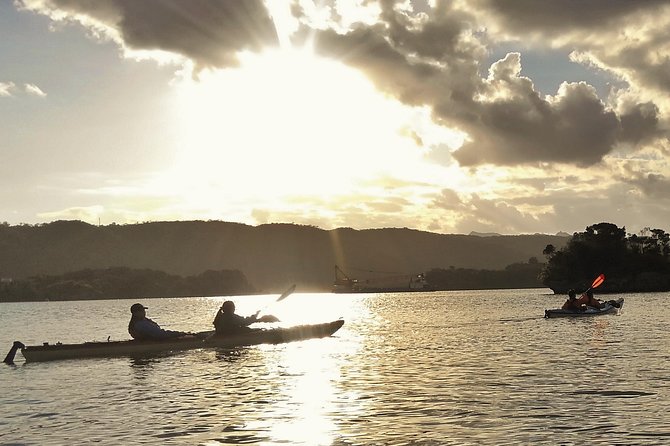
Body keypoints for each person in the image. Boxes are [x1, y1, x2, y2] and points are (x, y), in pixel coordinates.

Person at [212, 301, 278, 335]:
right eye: (233, 308)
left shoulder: (221, 316)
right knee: (247, 329)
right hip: (228, 335)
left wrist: (256, 318)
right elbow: (245, 322)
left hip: (221, 334)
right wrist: (255, 315)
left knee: (246, 329)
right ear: (231, 309)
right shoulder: (231, 317)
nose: (234, 309)